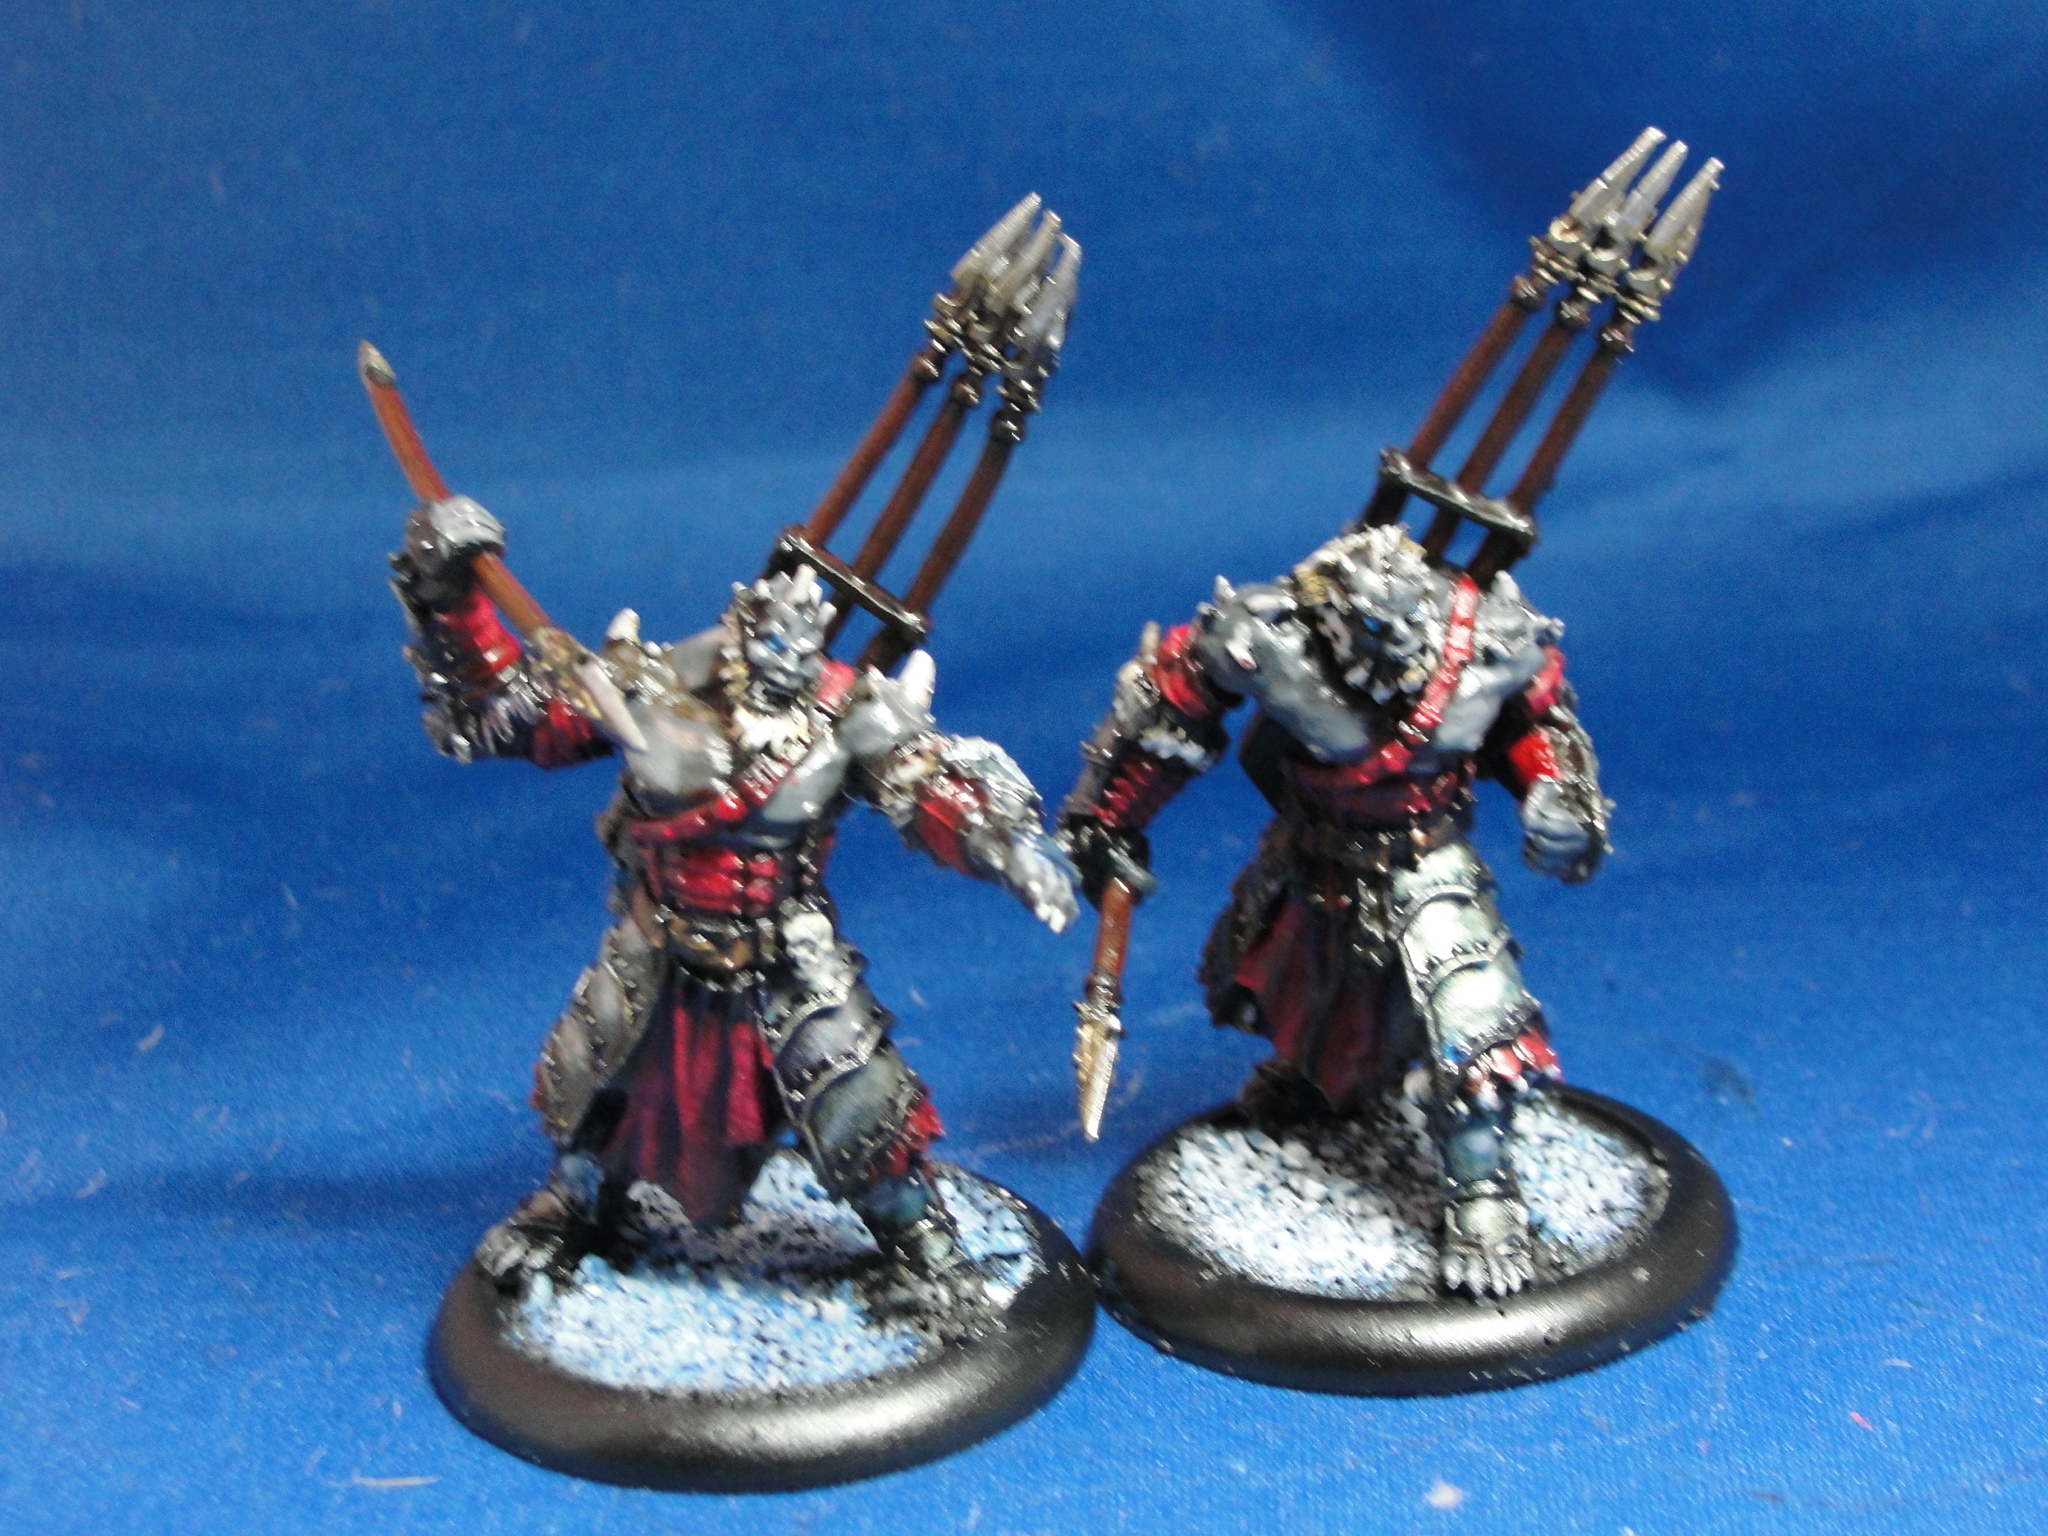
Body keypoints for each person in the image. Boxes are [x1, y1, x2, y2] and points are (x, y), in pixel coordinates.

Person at [391, 494, 1078, 1301]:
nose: (788, 659)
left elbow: (922, 781)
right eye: (772, 641)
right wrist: (449, 595)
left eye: (804, 643)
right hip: (660, 947)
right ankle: (571, 1212)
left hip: (786, 957)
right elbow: (504, 714)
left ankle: (923, 1245)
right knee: (601, 1092)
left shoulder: (844, 710)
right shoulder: (655, 684)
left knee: (860, 1104)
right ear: (743, 637)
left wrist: (1003, 846)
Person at [1059, 522, 1610, 1297]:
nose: (1385, 653)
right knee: (1307, 986)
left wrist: (1559, 802)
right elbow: (1167, 713)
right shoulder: (1268, 635)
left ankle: (1481, 1193)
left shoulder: (1490, 639)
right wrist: (1111, 821)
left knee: (1478, 1031)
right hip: (1317, 849)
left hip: (1429, 860)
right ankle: (1329, 1088)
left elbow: (1542, 726)